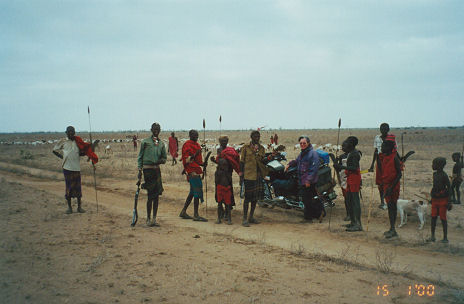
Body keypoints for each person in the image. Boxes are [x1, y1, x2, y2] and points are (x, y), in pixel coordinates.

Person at [53, 126, 98, 214]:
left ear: (74, 133)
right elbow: (54, 150)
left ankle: (79, 208)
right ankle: (69, 208)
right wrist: (62, 157)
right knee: (69, 187)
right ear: (66, 133)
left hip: (76, 168)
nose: (71, 134)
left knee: (78, 188)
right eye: (69, 132)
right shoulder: (63, 141)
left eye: (72, 132)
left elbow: (82, 153)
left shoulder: (78, 142)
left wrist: (90, 150)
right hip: (67, 168)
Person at [285, 136, 321, 223]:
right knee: (310, 198)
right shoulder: (303, 153)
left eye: (304, 143)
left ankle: (308, 218)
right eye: (301, 143)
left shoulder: (312, 153)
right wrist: (289, 164)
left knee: (306, 199)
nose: (302, 144)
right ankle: (318, 214)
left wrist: (308, 180)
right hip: (303, 180)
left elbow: (314, 168)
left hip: (308, 181)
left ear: (308, 143)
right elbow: (297, 161)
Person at [137, 123, 167, 227]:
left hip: (157, 170)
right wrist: (139, 171)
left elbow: (164, 158)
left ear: (160, 130)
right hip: (148, 171)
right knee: (150, 195)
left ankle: (154, 219)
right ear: (151, 130)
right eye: (154, 129)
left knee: (157, 195)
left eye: (158, 129)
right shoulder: (145, 142)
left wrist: (161, 160)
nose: (156, 131)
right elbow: (140, 157)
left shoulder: (162, 144)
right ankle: (148, 219)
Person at [240, 131, 268, 227]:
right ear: (251, 137)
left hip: (258, 176)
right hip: (248, 176)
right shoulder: (245, 147)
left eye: (258, 136)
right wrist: (241, 175)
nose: (257, 138)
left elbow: (263, 161)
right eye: (255, 136)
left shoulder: (261, 148)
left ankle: (251, 217)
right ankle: (244, 218)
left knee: (255, 198)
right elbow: (242, 161)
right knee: (247, 198)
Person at [179, 129, 208, 222]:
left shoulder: (197, 145)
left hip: (196, 170)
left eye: (197, 135)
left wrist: (203, 164)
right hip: (192, 171)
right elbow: (187, 159)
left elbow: (198, 161)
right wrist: (195, 154)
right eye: (194, 135)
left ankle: (183, 212)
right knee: (196, 191)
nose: (196, 137)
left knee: (192, 192)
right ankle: (196, 215)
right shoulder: (187, 145)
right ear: (190, 135)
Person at [334, 137, 362, 231]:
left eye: (344, 145)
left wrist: (341, 166)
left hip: (354, 178)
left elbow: (354, 168)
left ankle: (358, 224)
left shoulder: (354, 154)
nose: (343, 147)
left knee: (355, 201)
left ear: (351, 145)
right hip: (350, 177)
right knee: (349, 199)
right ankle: (353, 222)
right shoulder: (351, 153)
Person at [211, 135, 241, 221]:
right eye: (222, 141)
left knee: (228, 192)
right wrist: (214, 161)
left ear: (227, 141)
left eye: (225, 141)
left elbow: (232, 162)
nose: (224, 142)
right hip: (219, 174)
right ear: (219, 142)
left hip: (227, 174)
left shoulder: (230, 151)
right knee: (219, 192)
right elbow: (220, 161)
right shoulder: (219, 150)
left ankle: (228, 213)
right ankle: (222, 212)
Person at [368, 123, 397, 210]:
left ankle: (390, 200)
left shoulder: (391, 138)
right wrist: (372, 164)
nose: (383, 130)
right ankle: (382, 201)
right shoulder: (377, 138)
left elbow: (395, 151)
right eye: (381, 129)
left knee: (389, 180)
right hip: (380, 161)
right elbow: (376, 151)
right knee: (380, 182)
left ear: (388, 129)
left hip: (389, 160)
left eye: (385, 129)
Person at [377, 140, 402, 239]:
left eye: (383, 146)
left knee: (392, 206)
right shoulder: (384, 158)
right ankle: (391, 228)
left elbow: (399, 174)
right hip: (387, 185)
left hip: (393, 186)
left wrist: (391, 187)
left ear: (389, 148)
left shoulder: (394, 157)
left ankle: (393, 229)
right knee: (390, 207)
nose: (382, 148)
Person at [428, 157, 452, 243]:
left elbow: (449, 188)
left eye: (434, 164)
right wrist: (431, 198)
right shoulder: (435, 175)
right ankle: (432, 236)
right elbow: (434, 187)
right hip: (435, 199)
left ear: (439, 165)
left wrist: (449, 201)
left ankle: (445, 238)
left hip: (442, 200)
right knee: (433, 218)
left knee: (443, 218)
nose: (432, 166)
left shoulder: (444, 175)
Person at [215, 158, 233, 224]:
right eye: (224, 165)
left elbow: (230, 180)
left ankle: (229, 219)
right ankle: (219, 218)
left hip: (226, 190)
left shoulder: (226, 172)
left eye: (226, 165)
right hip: (220, 189)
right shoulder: (217, 172)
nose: (225, 166)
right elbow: (216, 181)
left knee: (227, 205)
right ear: (220, 165)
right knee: (220, 204)